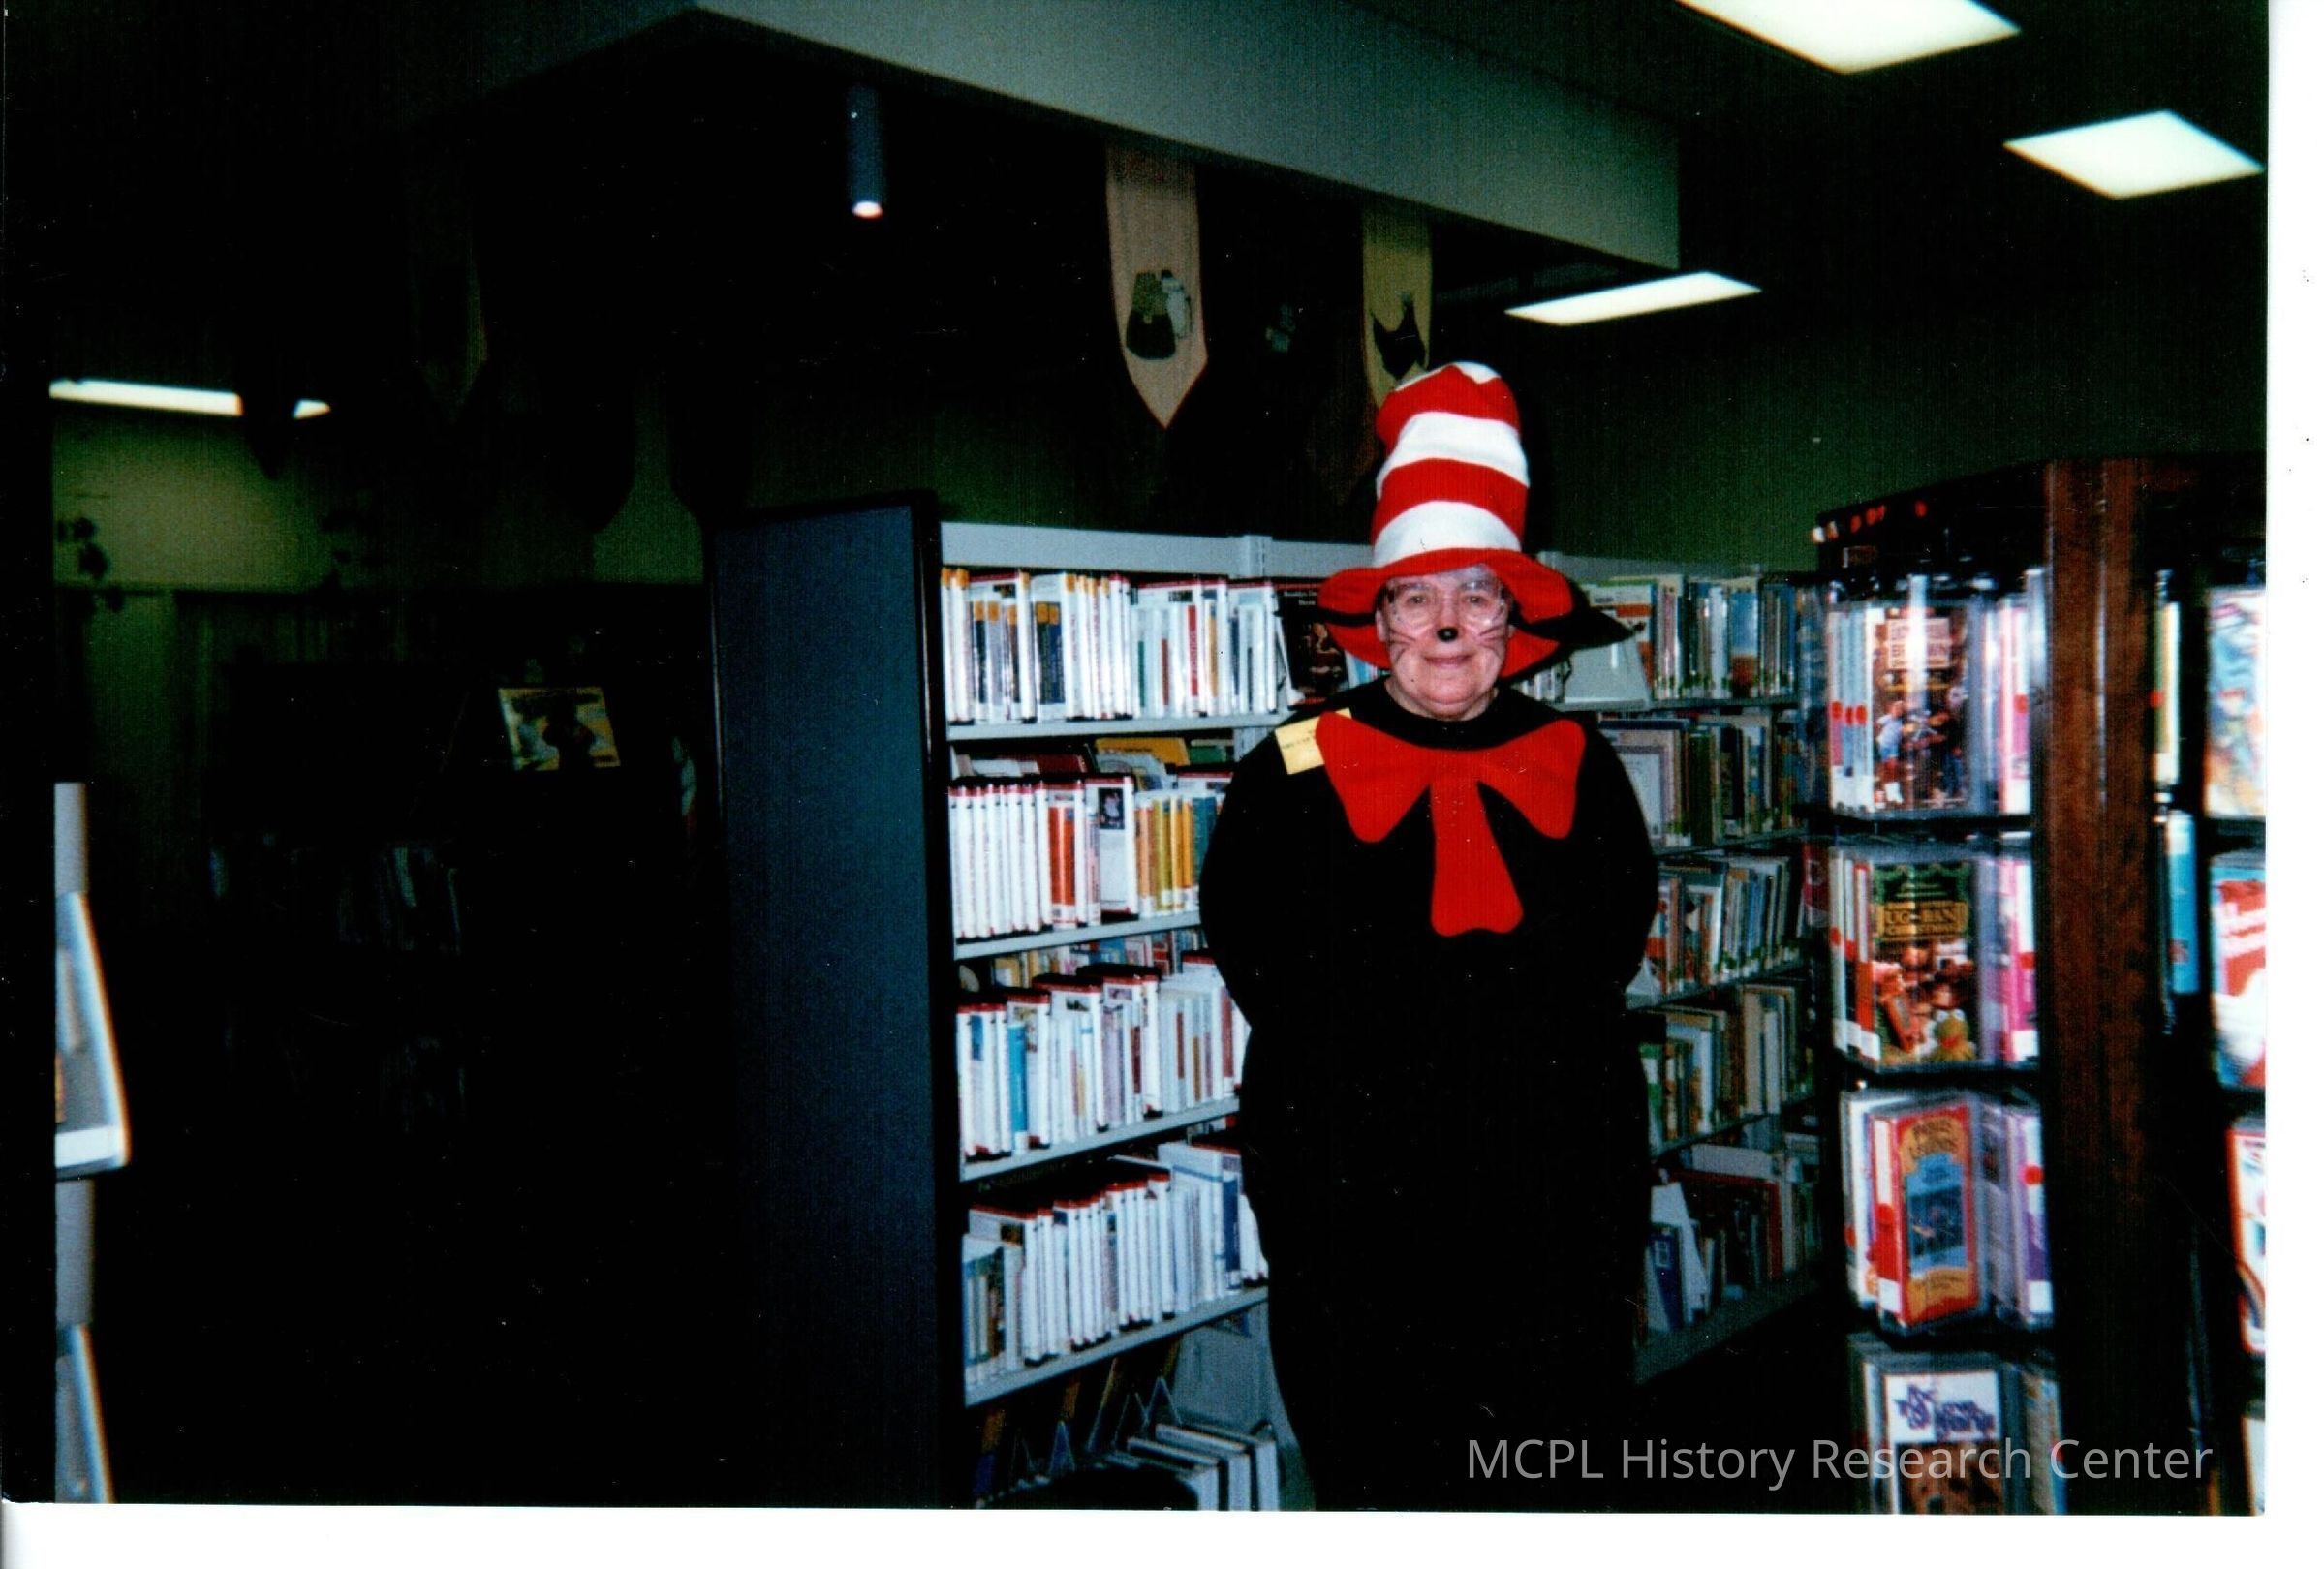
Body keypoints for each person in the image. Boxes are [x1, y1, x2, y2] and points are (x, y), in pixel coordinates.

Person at [1198, 362, 1658, 1509]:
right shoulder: (1286, 772)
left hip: (1549, 1205)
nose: (1447, 626)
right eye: (1416, 598)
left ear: (1513, 615)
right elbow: (1260, 966)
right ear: (1376, 621)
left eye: (1476, 595)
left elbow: (1607, 953)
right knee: (1383, 1479)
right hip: (1359, 1214)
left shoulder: (1581, 764)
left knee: (1550, 1477)